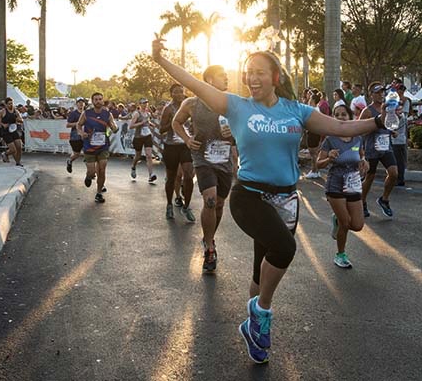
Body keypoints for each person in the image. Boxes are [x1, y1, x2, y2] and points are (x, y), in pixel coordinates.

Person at [152, 38, 387, 364]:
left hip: (286, 200)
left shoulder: (297, 110)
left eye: (260, 72)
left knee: (260, 274)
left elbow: (341, 126)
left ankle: (253, 325)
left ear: (276, 77)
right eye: (248, 73)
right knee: (285, 249)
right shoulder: (235, 106)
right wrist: (160, 59)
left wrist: (377, 122)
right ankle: (261, 315)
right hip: (248, 195)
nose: (252, 78)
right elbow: (191, 81)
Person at [172, 65, 238, 273]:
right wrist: (187, 140)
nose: (227, 78)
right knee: (210, 201)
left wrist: (232, 133)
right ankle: (209, 247)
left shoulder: (231, 103)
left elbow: (244, 131)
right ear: (209, 80)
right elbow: (177, 122)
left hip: (224, 160)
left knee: (219, 204)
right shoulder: (192, 103)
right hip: (203, 159)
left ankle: (209, 238)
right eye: (222, 76)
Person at [316, 103, 367, 268]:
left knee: (357, 225)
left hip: (353, 183)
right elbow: (318, 164)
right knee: (346, 222)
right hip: (335, 184)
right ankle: (340, 255)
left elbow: (360, 156)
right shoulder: (330, 140)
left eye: (343, 114)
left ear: (350, 117)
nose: (340, 117)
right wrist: (328, 158)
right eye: (336, 115)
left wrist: (364, 162)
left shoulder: (358, 138)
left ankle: (336, 221)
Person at [359, 82, 398, 218]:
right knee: (370, 177)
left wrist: (392, 131)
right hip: (372, 148)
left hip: (386, 146)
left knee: (394, 173)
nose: (381, 95)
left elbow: (389, 124)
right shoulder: (367, 111)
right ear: (371, 95)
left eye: (382, 92)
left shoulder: (388, 108)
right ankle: (362, 202)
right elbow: (360, 129)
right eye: (378, 92)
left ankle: (384, 199)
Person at [159, 84, 196, 222]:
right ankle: (169, 204)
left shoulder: (189, 106)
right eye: (176, 92)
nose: (180, 94)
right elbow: (161, 129)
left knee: (188, 174)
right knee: (171, 177)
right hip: (171, 146)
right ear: (171, 94)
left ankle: (186, 206)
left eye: (181, 91)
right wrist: (175, 123)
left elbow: (194, 124)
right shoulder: (168, 109)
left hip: (185, 145)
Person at [77, 92, 118, 203]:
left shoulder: (107, 114)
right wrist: (81, 133)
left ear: (102, 100)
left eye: (100, 99)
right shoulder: (86, 113)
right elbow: (78, 125)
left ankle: (99, 193)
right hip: (89, 146)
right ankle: (89, 176)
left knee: (102, 169)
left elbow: (113, 124)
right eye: (96, 99)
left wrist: (114, 128)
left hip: (103, 146)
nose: (98, 101)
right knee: (92, 171)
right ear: (92, 101)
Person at [129, 98, 157, 183]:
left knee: (149, 155)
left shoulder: (148, 113)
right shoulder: (136, 114)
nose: (145, 105)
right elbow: (131, 126)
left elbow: (147, 122)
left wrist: (151, 124)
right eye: (143, 103)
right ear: (140, 104)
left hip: (147, 136)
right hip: (138, 137)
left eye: (146, 103)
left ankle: (151, 175)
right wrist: (141, 123)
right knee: (138, 155)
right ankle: (133, 166)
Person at [0, 97, 24, 167]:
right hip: (6, 132)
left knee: (19, 147)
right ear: (5, 104)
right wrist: (3, 124)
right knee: (13, 149)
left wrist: (18, 120)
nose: (10, 105)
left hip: (14, 130)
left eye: (11, 103)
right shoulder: (2, 111)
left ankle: (18, 162)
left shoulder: (15, 111)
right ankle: (5, 153)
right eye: (9, 104)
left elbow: (21, 120)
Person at [65, 98, 85, 173]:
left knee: (89, 153)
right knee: (77, 154)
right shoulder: (74, 113)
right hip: (75, 136)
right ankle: (69, 161)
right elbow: (68, 125)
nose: (81, 104)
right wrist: (78, 123)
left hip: (85, 135)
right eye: (79, 102)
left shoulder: (87, 113)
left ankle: (91, 171)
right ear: (76, 104)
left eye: (82, 102)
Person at [391, 102, 408, 186]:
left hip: (398, 142)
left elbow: (392, 129)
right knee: (398, 161)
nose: (399, 111)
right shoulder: (399, 117)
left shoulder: (401, 117)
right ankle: (399, 179)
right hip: (397, 141)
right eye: (398, 110)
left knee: (399, 162)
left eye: (400, 109)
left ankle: (400, 179)